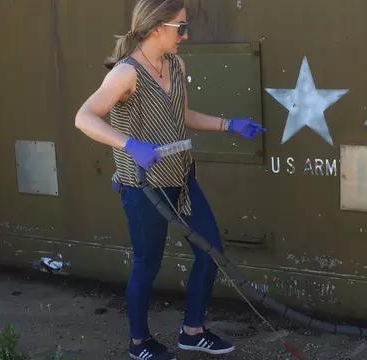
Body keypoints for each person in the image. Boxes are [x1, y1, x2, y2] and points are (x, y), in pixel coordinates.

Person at [74, 0, 265, 359]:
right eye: (181, 27)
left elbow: (183, 113)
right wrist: (129, 144)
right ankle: (139, 343)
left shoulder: (175, 64)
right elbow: (84, 118)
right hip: (144, 187)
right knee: (148, 263)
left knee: (210, 252)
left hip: (182, 177)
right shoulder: (125, 73)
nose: (186, 34)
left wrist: (229, 125)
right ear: (156, 27)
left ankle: (192, 331)